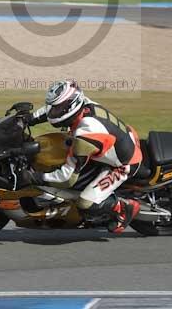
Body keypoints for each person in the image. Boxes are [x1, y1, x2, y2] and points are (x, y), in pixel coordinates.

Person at [18, 79, 142, 235]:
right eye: (54, 107)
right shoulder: (82, 103)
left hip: (123, 164)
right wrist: (29, 118)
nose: (53, 112)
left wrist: (36, 177)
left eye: (59, 108)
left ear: (70, 106)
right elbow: (51, 108)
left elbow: (67, 178)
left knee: (85, 203)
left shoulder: (85, 134)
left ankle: (124, 207)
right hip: (119, 140)